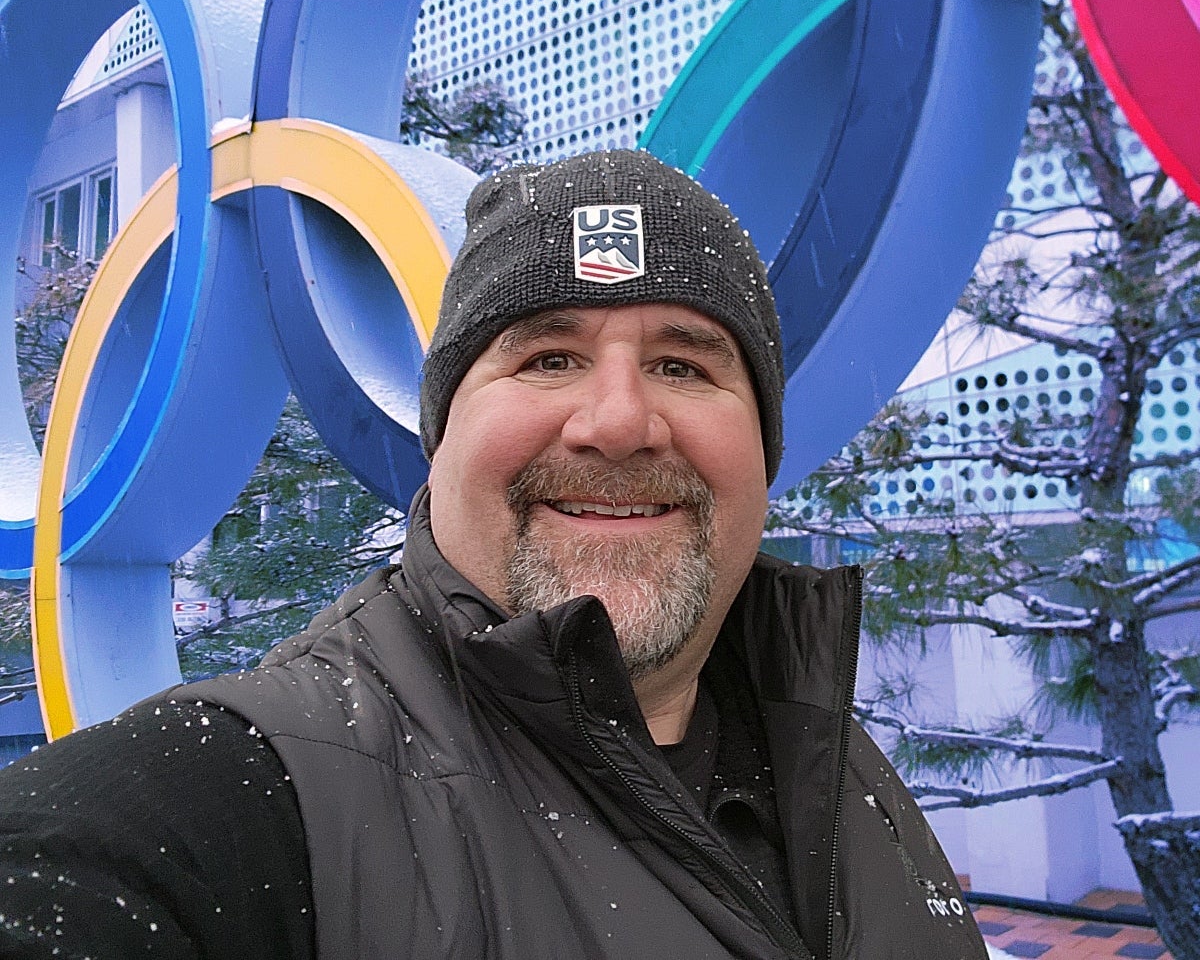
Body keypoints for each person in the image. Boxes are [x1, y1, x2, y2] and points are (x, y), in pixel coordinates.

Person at [0, 150, 986, 959]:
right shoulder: (267, 787)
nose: (618, 420)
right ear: (443, 436)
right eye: (548, 356)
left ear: (762, 449)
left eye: (683, 363)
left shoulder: (824, 747)